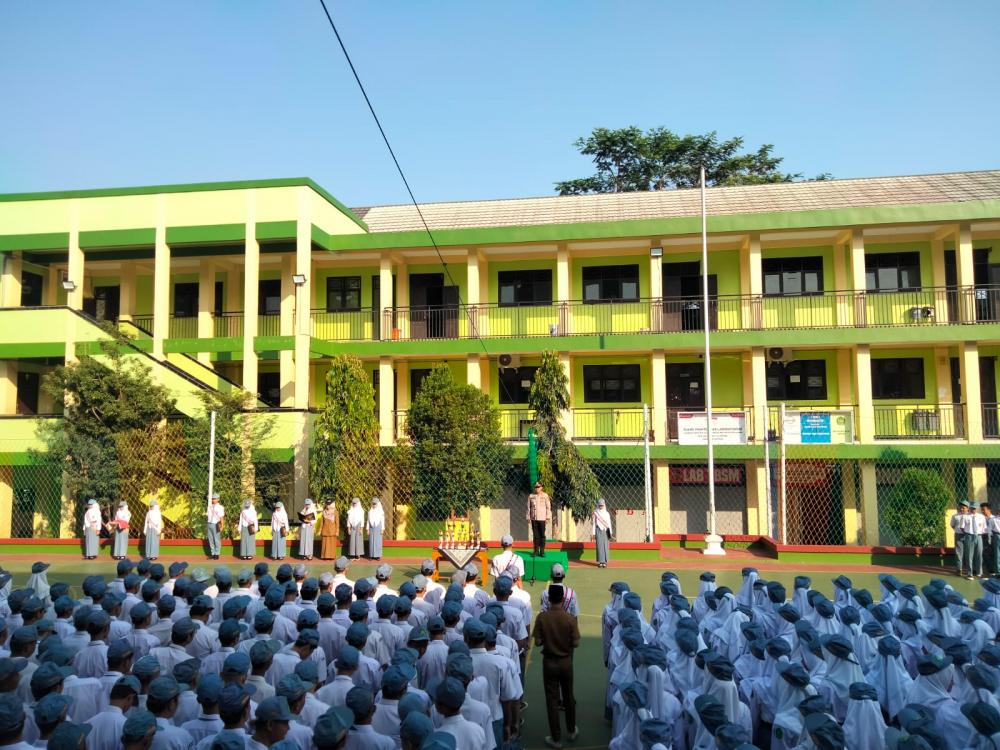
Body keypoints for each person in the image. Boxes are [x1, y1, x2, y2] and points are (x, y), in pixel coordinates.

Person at [533, 584, 579, 749]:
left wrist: (548, 640)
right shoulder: (569, 619)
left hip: (550, 662)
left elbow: (537, 642)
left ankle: (556, 737)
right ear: (563, 599)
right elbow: (576, 642)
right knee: (568, 696)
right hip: (566, 661)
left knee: (552, 700)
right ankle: (572, 729)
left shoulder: (542, 617)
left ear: (549, 598)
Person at [527, 481, 552, 558]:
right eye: (536, 487)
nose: (537, 488)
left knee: (542, 535)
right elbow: (528, 508)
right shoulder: (531, 496)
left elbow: (548, 507)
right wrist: (528, 517)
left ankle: (542, 551)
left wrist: (548, 517)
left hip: (542, 518)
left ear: (541, 487)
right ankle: (535, 551)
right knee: (535, 535)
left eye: (538, 487)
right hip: (534, 518)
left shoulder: (545, 496)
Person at [592, 499, 613, 568]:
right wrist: (593, 533)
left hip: (605, 530)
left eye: (602, 505)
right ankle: (600, 562)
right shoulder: (595, 513)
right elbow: (594, 523)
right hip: (598, 530)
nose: (601, 506)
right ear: (598, 505)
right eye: (600, 505)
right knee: (599, 546)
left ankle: (604, 562)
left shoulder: (607, 513)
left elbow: (609, 523)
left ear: (604, 505)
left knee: (605, 546)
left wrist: (611, 532)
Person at [952, 499, 971, 578]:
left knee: (969, 552)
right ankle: (959, 569)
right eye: (961, 507)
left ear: (968, 508)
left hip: (968, 535)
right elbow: (952, 525)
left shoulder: (971, 516)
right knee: (959, 552)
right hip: (958, 535)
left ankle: (970, 569)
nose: (962, 509)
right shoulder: (955, 516)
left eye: (964, 507)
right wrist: (958, 530)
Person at [206, 493, 225, 560]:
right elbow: (208, 515)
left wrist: (222, 525)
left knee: (216, 539)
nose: (213, 500)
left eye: (214, 499)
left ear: (218, 499)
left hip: (216, 524)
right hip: (209, 523)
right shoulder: (209, 507)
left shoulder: (220, 507)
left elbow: (221, 517)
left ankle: (217, 554)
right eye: (212, 499)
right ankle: (212, 553)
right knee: (210, 539)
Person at [972, 502, 988, 579]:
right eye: (972, 508)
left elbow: (984, 527)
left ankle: (979, 572)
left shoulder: (981, 517)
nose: (973, 509)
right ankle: (972, 570)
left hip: (979, 536)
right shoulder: (967, 516)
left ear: (977, 509)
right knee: (971, 554)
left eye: (975, 508)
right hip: (970, 536)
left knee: (979, 554)